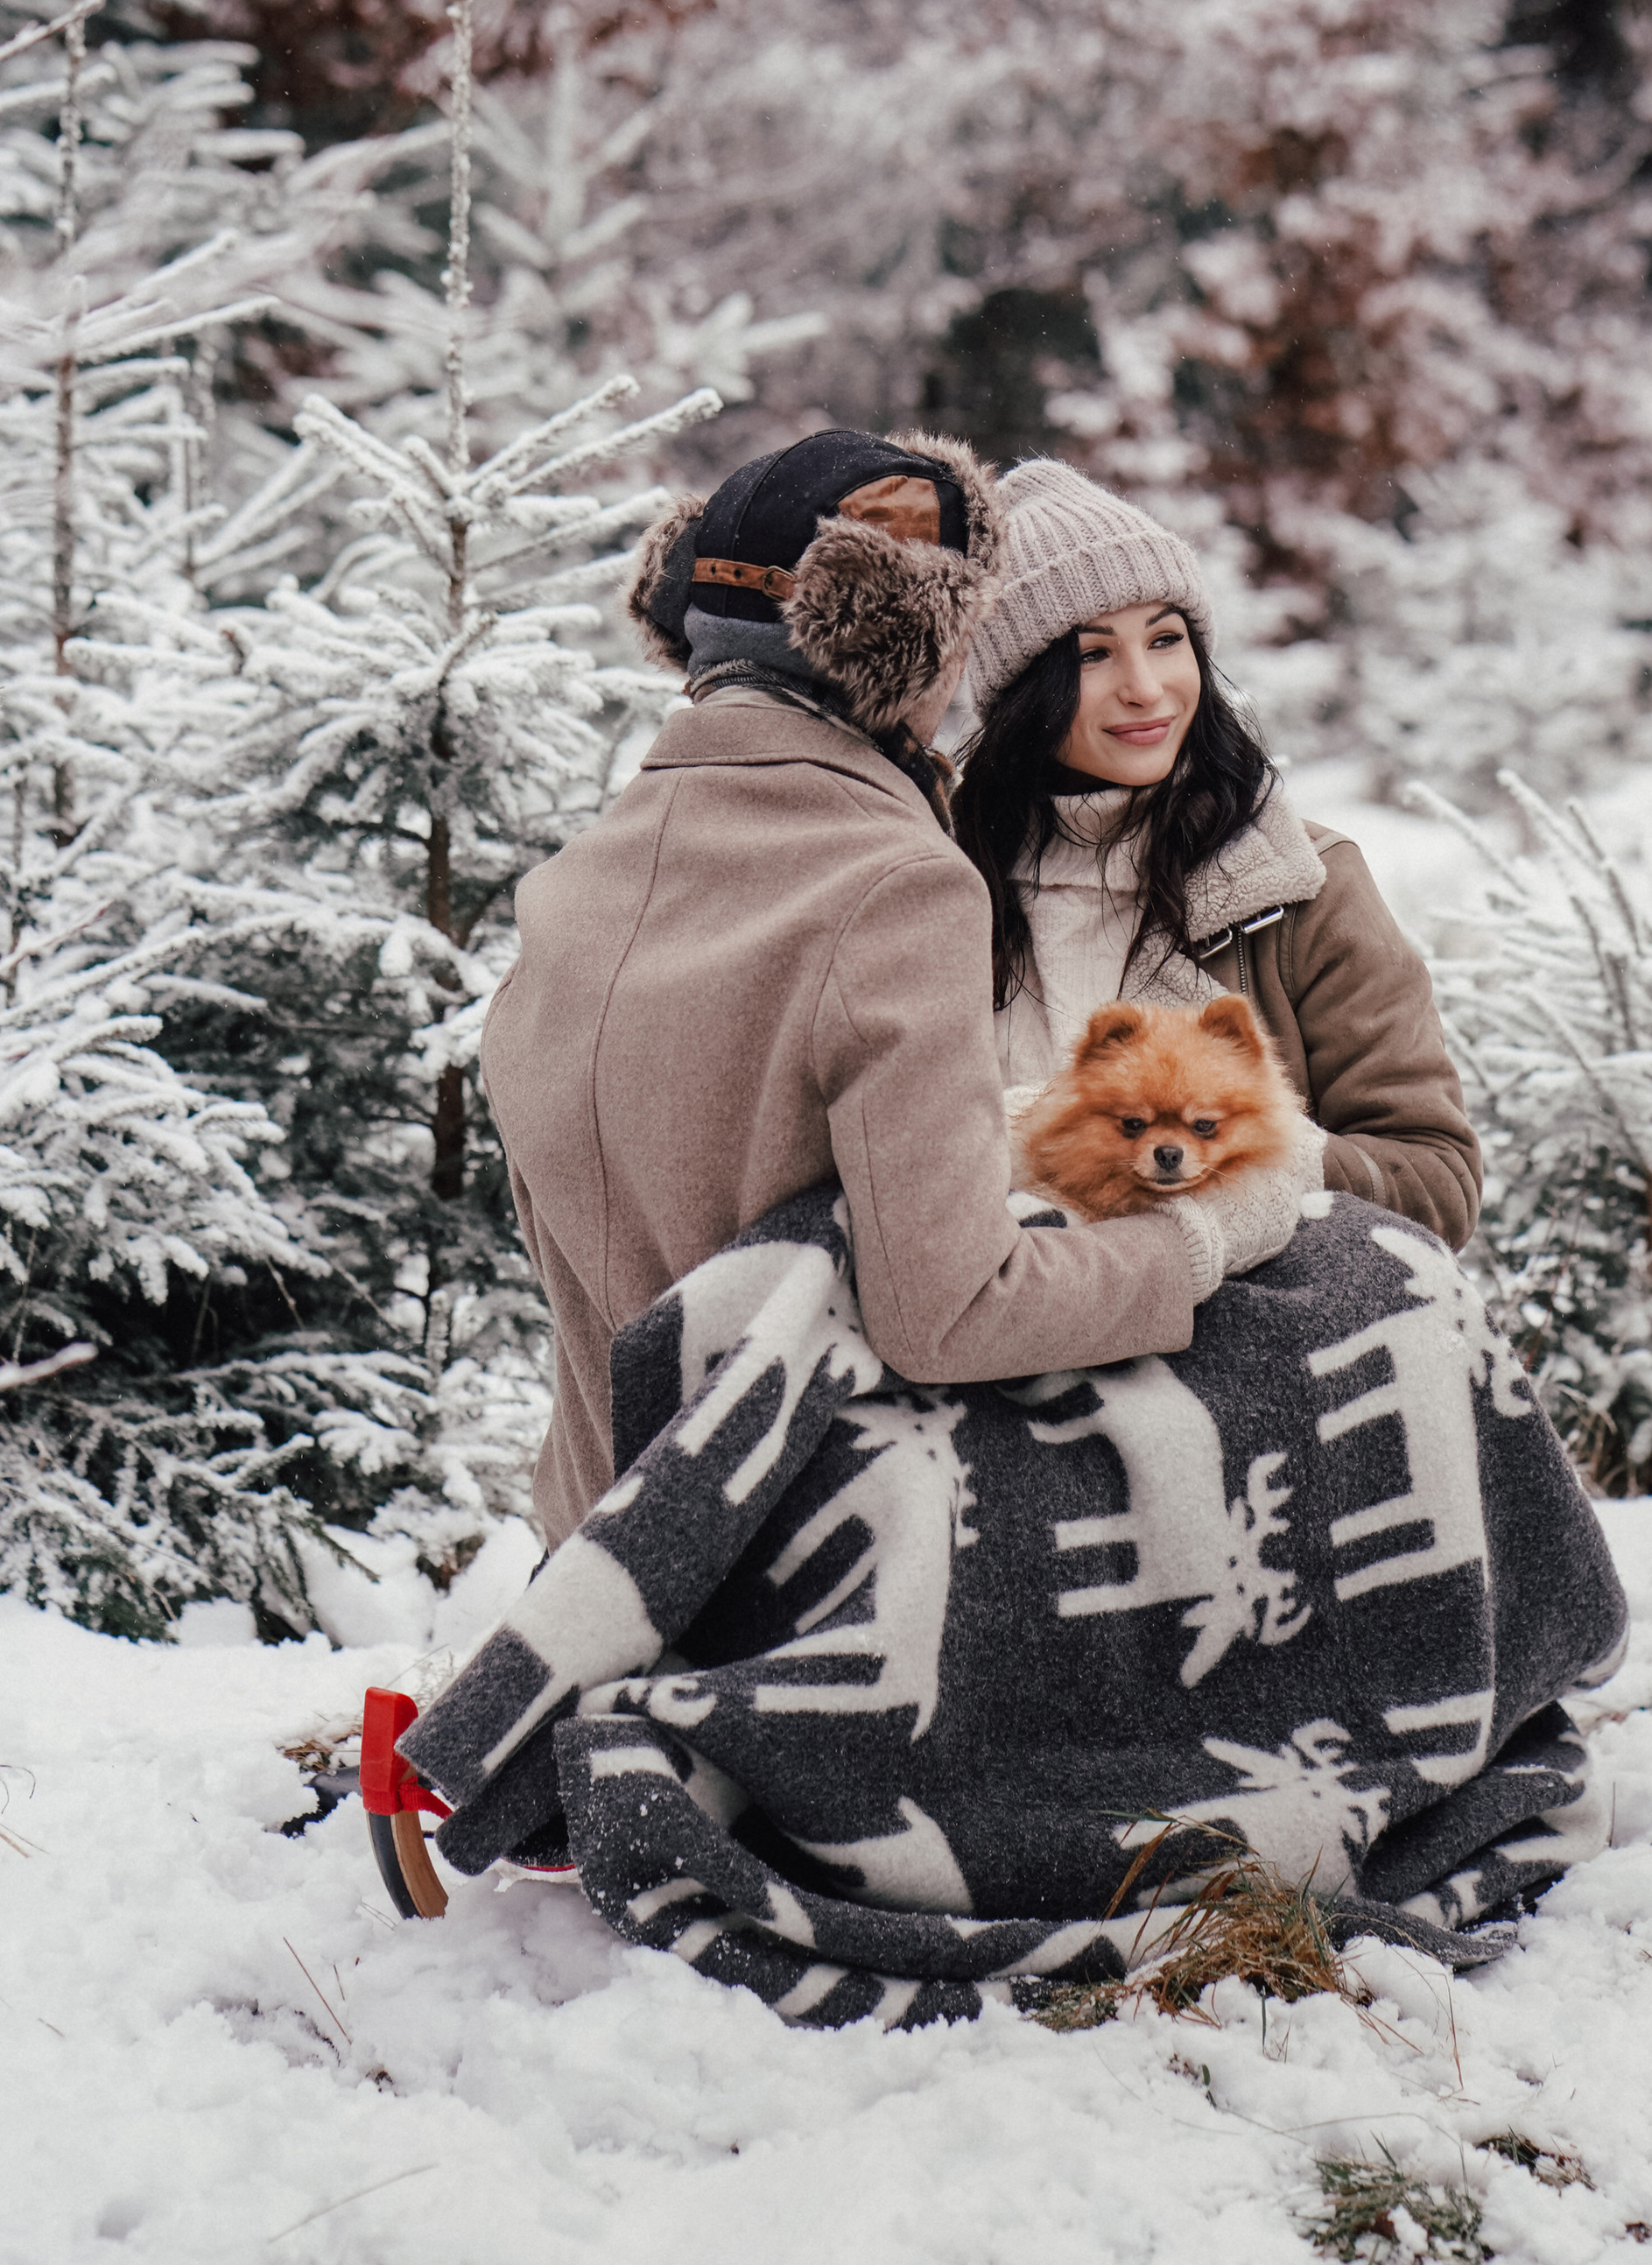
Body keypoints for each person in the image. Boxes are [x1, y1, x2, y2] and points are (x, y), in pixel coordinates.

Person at [482, 429, 1312, 1546]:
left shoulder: (570, 887)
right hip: (813, 1550)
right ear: (902, 638)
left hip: (602, 1537)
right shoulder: (898, 882)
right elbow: (954, 1312)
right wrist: (1203, 1241)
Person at [953, 460, 1482, 1248]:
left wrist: (1256, 1151)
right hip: (995, 1323)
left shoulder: (1301, 885)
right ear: (1023, 690)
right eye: (1094, 655)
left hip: (1251, 1343)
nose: (1147, 688)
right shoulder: (943, 885)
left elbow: (1434, 1184)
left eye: (1167, 640)